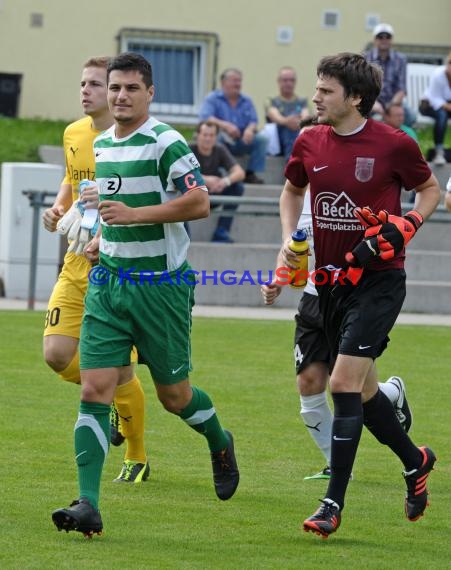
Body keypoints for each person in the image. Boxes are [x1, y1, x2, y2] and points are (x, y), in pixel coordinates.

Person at [51, 52, 239, 538]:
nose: (119, 96)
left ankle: (219, 441)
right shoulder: (103, 144)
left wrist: (134, 216)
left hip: (161, 290)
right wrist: (99, 240)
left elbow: (199, 202)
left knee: (175, 398)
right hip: (109, 285)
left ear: (150, 93)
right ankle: (87, 504)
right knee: (95, 390)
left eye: (131, 88)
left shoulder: (166, 142)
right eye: (114, 88)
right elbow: (111, 210)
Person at [281, 52, 440, 538]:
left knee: (343, 384)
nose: (315, 97)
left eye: (326, 91)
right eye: (317, 87)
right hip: (328, 287)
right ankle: (416, 462)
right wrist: (290, 238)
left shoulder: (394, 144)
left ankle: (332, 503)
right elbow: (291, 191)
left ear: (354, 98)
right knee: (366, 393)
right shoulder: (309, 139)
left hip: (378, 284)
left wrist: (407, 224)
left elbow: (430, 189)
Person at [261, 145, 412, 480]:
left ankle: (394, 408)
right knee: (309, 383)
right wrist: (278, 280)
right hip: (314, 300)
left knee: (353, 386)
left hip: (351, 298)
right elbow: (293, 249)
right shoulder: (301, 197)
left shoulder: (355, 193)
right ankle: (338, 465)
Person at [42, 56, 149, 485]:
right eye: (82, 83)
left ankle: (137, 455)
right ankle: (106, 401)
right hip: (74, 262)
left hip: (116, 266)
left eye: (93, 84)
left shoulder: (134, 142)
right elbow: (73, 181)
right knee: (56, 355)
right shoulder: (73, 133)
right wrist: (57, 208)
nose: (85, 91)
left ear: (114, 91)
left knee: (118, 372)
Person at [199, 67, 267, 184]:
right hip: (222, 138)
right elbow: (206, 117)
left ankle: (250, 173)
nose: (238, 84)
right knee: (215, 139)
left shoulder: (247, 100)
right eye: (234, 80)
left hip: (242, 139)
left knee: (261, 140)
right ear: (223, 83)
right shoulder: (212, 98)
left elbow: (254, 120)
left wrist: (249, 130)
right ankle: (220, 172)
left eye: (239, 81)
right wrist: (225, 126)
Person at [190, 120, 245, 243]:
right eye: (205, 135)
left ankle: (221, 232)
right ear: (198, 135)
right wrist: (204, 179)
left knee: (238, 187)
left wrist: (224, 182)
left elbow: (240, 172)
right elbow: (179, 173)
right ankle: (184, 235)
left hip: (213, 194)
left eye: (211, 135)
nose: (208, 139)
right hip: (193, 196)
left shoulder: (219, 149)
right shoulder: (189, 150)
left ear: (216, 137)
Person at [364, 23, 415, 126]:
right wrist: (373, 104)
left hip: (393, 101)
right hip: (371, 101)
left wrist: (390, 106)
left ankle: (399, 139)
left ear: (391, 40)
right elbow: (362, 87)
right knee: (360, 114)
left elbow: (401, 89)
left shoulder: (401, 59)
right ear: (374, 39)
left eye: (387, 36)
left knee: (410, 117)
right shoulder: (365, 58)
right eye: (380, 36)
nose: (384, 39)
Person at [265, 66, 311, 161]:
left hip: (298, 134)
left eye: (291, 80)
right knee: (288, 129)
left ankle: (292, 164)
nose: (288, 83)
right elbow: (275, 116)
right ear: (279, 82)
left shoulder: (303, 101)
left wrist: (294, 122)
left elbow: (306, 117)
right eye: (285, 80)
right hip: (278, 140)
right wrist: (288, 121)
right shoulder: (272, 100)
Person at [418, 53, 451, 166]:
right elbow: (434, 98)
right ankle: (439, 152)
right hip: (428, 105)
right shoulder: (438, 75)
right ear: (447, 63)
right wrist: (447, 106)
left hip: (447, 106)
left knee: (444, 114)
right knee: (442, 115)